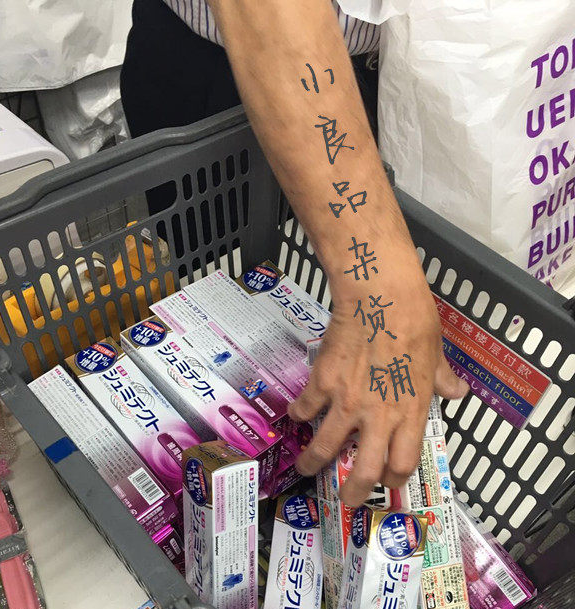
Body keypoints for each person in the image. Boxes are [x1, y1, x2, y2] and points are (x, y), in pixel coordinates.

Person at [120, 0, 469, 509]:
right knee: (209, 265)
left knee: (307, 291)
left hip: (399, 65)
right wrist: (382, 293)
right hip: (226, 60)